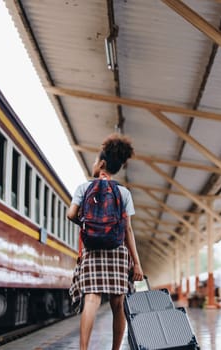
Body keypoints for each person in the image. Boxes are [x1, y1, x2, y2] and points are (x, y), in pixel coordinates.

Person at [67, 133, 143, 350]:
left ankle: (83, 349)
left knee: (91, 300)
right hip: (117, 250)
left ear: (101, 163)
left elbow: (70, 214)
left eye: (94, 161)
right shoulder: (124, 192)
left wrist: (88, 225)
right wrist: (136, 263)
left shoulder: (84, 188)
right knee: (118, 304)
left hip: (92, 250)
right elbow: (127, 229)